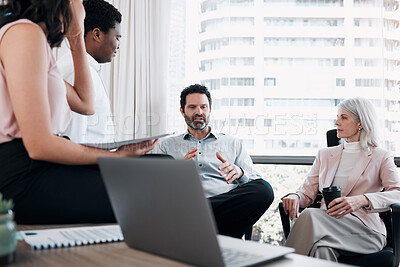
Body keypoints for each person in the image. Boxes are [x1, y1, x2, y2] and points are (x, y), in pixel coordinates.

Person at [0, 0, 156, 224]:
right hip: (21, 175)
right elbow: (39, 145)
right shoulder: (25, 34)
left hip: (35, 166)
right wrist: (115, 156)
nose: (83, 6)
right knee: (149, 188)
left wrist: (76, 38)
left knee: (158, 166)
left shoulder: (35, 41)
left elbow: (85, 103)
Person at [282, 97, 400, 261]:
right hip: (326, 227)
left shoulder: (381, 156)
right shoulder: (325, 155)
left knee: (310, 215)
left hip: (365, 232)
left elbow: (398, 193)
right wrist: (295, 196)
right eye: (337, 117)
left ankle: (279, 264)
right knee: (321, 250)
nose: (336, 122)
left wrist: (362, 200)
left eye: (343, 118)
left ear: (361, 123)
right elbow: (307, 194)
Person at [154, 84, 274, 238]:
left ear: (210, 109)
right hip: (184, 207)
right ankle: (212, 231)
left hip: (222, 210)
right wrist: (177, 173)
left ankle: (201, 223)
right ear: (182, 111)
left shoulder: (232, 143)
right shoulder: (166, 145)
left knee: (264, 190)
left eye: (203, 107)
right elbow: (156, 189)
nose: (199, 112)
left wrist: (241, 173)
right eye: (192, 107)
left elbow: (255, 182)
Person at [57, 0, 121, 143]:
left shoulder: (86, 69)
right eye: (117, 38)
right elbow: (73, 138)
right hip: (85, 163)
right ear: (97, 34)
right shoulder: (76, 72)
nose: (118, 46)